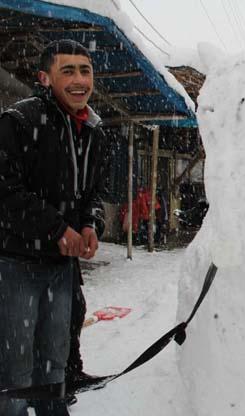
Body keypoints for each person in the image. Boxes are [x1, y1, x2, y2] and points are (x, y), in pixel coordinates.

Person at [0, 39, 109, 415]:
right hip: (16, 264)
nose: (79, 80)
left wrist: (90, 224)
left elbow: (93, 192)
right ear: (45, 78)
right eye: (68, 71)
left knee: (55, 361)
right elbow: (5, 192)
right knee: (14, 369)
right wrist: (58, 229)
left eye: (85, 70)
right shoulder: (19, 121)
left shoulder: (94, 130)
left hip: (61, 268)